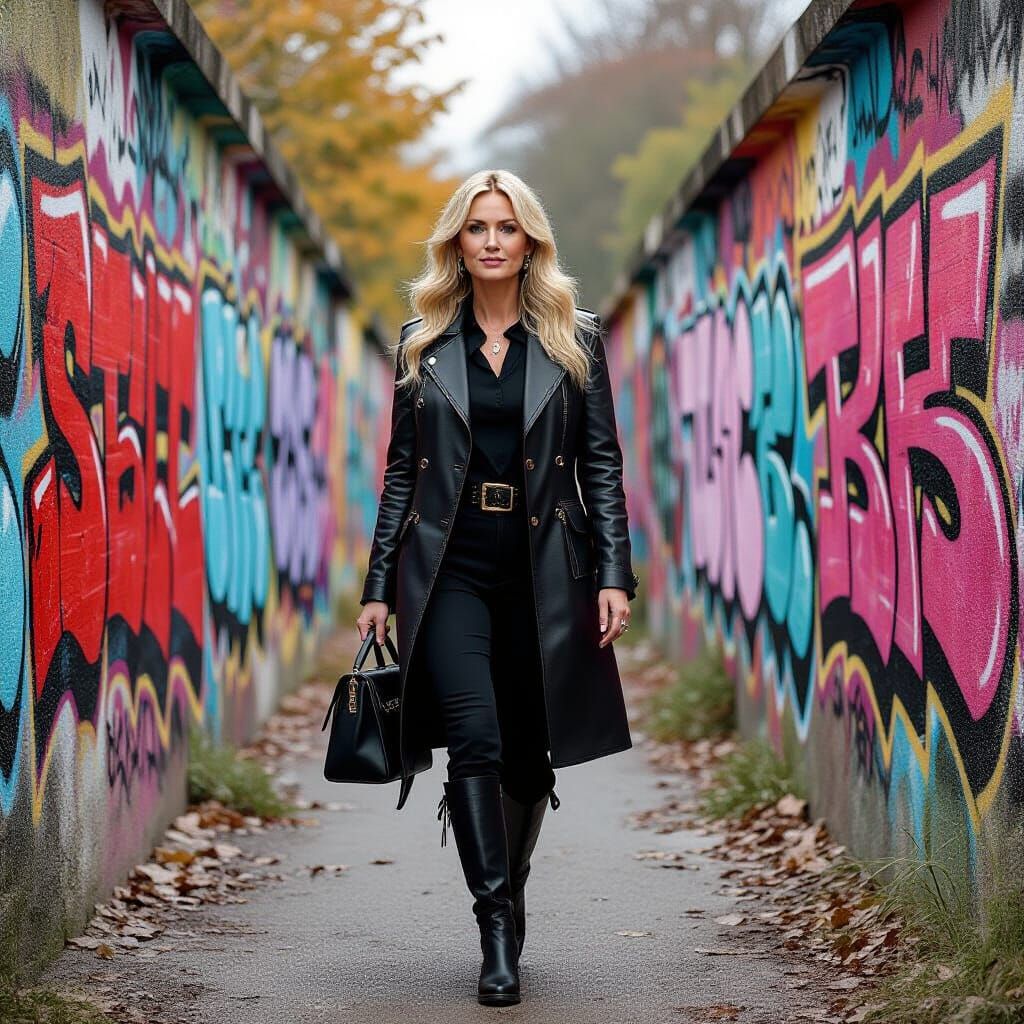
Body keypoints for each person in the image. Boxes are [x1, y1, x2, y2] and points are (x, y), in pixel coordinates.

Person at [356, 169, 638, 1007]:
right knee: (473, 740)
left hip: (545, 567)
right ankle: (495, 927)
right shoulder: (421, 342)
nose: (489, 240)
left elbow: (602, 465)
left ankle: (510, 890)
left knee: (526, 752)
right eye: (475, 227)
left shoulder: (573, 341)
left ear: (530, 244)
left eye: (505, 228)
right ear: (456, 241)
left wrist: (613, 573)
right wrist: (379, 585)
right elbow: (401, 474)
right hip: (447, 570)